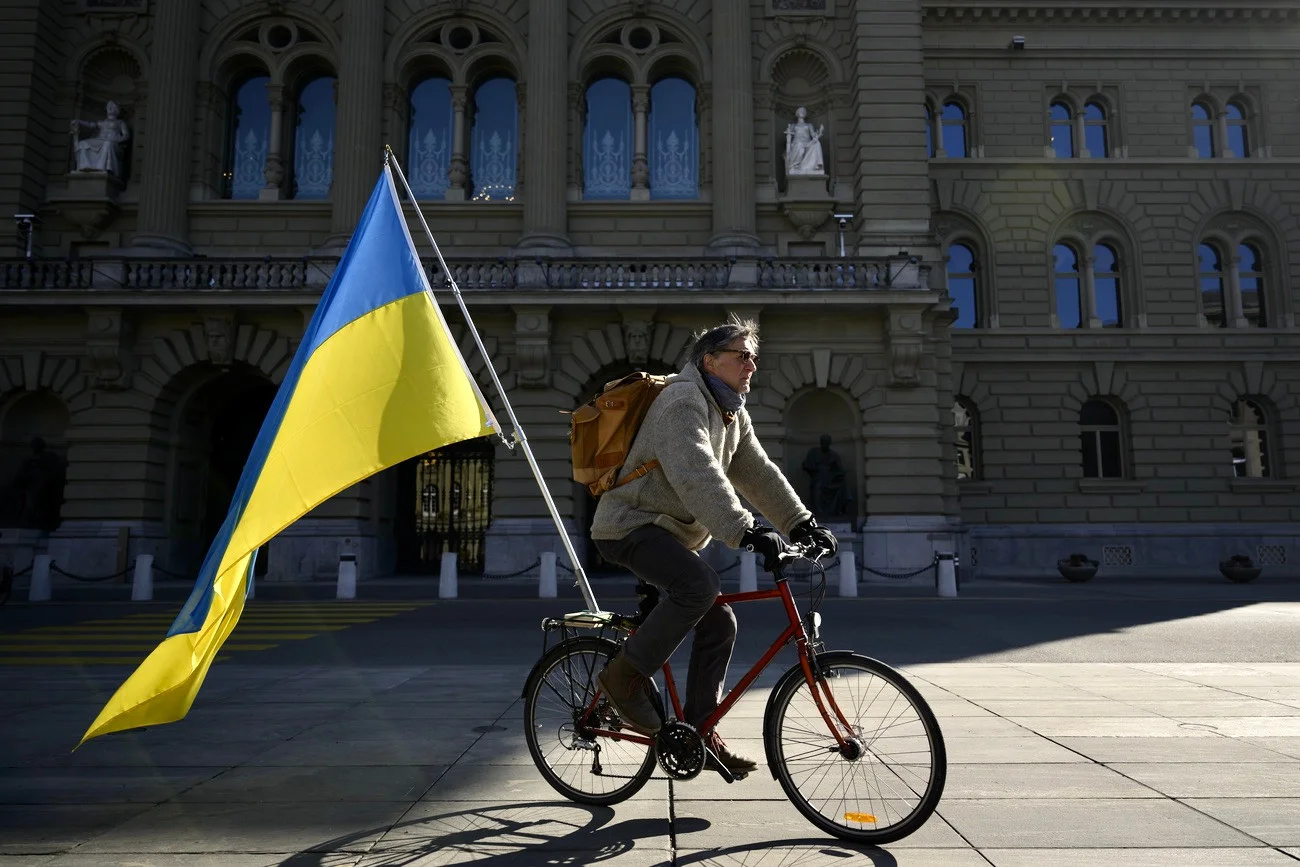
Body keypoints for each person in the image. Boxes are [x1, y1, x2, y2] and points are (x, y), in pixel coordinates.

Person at [590, 317, 839, 776]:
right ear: (710, 360)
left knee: (720, 621)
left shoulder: (730, 410)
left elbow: (757, 472)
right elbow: (696, 473)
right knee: (698, 584)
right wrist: (745, 529)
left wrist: (800, 523)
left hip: (666, 532)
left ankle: (699, 734)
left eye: (754, 357)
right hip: (628, 526)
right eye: (742, 355)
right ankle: (623, 679)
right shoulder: (682, 401)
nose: (752, 364)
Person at [71, 100, 130, 176]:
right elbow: (90, 125)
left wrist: (117, 139)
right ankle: (85, 167)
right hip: (100, 140)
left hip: (113, 142)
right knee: (83, 143)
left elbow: (126, 135)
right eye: (108, 106)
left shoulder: (120, 122)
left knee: (107, 144)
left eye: (112, 106)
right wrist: (79, 121)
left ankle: (101, 168)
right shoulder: (102, 122)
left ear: (117, 109)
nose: (110, 107)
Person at [784, 106, 825, 176]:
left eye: (804, 111)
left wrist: (819, 133)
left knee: (817, 143)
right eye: (800, 110)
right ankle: (795, 165)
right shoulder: (794, 125)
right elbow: (788, 134)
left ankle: (816, 166)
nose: (802, 112)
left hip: (808, 143)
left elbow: (813, 135)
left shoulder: (809, 125)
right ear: (797, 113)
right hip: (797, 143)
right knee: (799, 145)